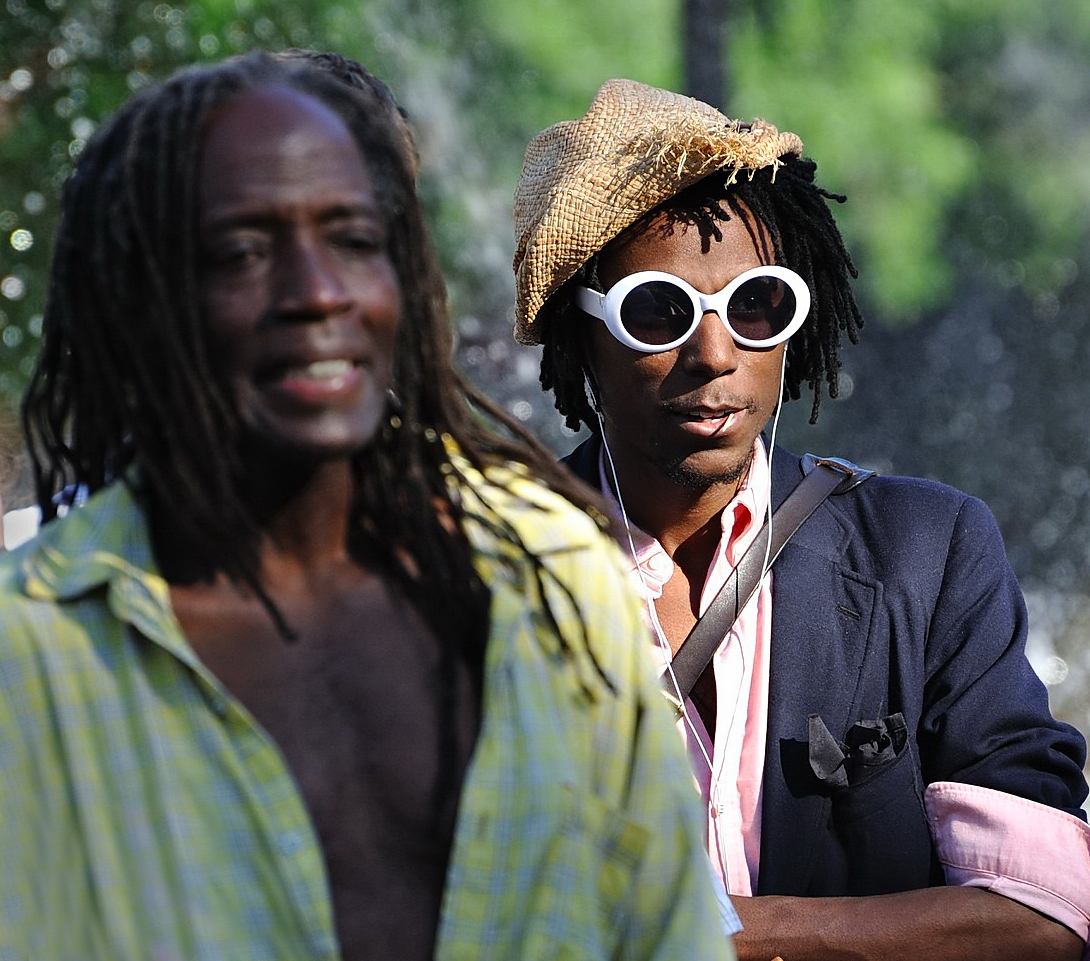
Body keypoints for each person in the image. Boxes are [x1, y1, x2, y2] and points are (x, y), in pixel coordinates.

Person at [0, 55, 738, 961]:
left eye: (358, 236)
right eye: (243, 250)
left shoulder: (549, 577)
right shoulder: (31, 650)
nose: (318, 290)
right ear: (137, 299)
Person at [512, 78, 1090, 961]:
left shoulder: (929, 554)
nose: (716, 352)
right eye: (658, 312)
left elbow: (1045, 912)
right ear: (581, 334)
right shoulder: (487, 573)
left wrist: (728, 938)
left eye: (757, 305)